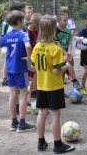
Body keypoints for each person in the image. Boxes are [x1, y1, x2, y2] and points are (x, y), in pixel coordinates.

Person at [30, 14, 75, 153]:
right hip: (54, 87)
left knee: (42, 114)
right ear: (53, 31)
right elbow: (57, 72)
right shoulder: (55, 49)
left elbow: (33, 67)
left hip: (42, 86)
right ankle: (57, 145)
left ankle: (41, 143)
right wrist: (67, 66)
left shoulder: (37, 47)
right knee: (55, 115)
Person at [0, 10, 35, 132]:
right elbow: (28, 46)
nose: (24, 22)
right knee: (23, 95)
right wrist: (28, 57)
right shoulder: (22, 34)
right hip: (21, 68)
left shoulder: (7, 36)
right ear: (19, 22)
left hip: (10, 68)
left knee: (12, 95)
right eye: (23, 20)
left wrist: (7, 49)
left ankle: (14, 122)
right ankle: (22, 123)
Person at [55, 12, 82, 91]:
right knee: (62, 72)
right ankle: (63, 87)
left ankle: (74, 81)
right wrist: (65, 53)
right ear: (58, 21)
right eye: (65, 20)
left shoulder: (68, 30)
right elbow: (57, 44)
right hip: (59, 54)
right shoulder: (55, 30)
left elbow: (70, 42)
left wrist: (69, 52)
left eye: (67, 20)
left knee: (69, 66)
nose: (67, 22)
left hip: (67, 53)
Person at [26, 13, 41, 102]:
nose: (36, 29)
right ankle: (33, 93)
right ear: (30, 22)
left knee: (36, 75)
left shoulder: (37, 30)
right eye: (35, 27)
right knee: (34, 75)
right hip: (31, 57)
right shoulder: (27, 33)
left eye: (37, 27)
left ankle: (31, 94)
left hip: (37, 57)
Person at [0, 8, 10, 86]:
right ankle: (5, 78)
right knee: (6, 61)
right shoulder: (4, 23)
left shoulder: (10, 23)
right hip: (6, 45)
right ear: (6, 16)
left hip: (9, 44)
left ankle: (8, 77)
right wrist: (3, 46)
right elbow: (2, 35)